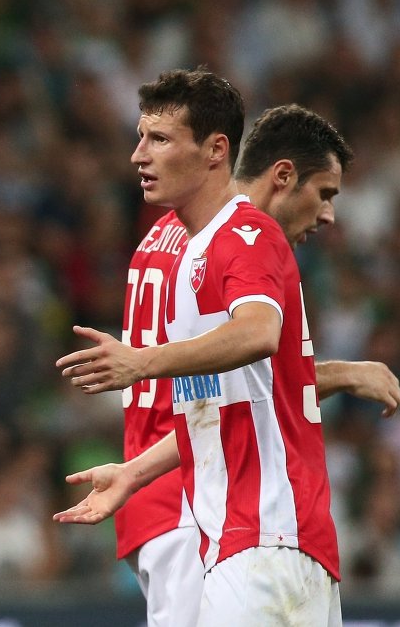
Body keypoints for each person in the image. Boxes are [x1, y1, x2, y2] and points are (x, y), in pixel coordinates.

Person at [55, 72, 346, 625]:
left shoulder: (245, 234)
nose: (139, 154)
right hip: (244, 536)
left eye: (160, 139)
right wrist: (135, 472)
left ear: (216, 150)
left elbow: (258, 333)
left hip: (261, 538)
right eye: (141, 137)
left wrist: (141, 362)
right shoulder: (198, 251)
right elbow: (219, 397)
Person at [110, 101, 399, 627]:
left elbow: (244, 377)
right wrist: (341, 373)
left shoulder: (168, 234)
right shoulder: (231, 240)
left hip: (175, 489)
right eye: (324, 194)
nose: (329, 216)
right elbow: (242, 361)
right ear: (282, 176)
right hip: (201, 497)